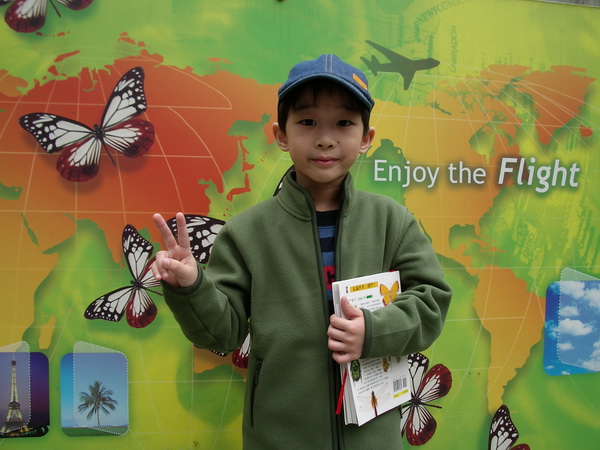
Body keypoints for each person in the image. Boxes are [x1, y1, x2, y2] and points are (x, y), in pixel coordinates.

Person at [151, 54, 452, 449]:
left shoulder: (392, 222)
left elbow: (432, 301)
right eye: (307, 122)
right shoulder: (247, 233)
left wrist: (374, 332)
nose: (325, 138)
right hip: (278, 438)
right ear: (280, 134)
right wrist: (190, 285)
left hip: (373, 438)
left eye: (344, 123)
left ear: (366, 138)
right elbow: (221, 332)